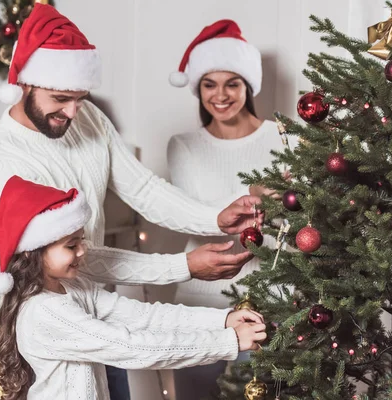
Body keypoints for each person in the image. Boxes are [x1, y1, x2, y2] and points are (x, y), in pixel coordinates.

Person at [0, 5, 265, 399]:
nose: (73, 112)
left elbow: (143, 189)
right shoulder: (0, 161)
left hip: (84, 292)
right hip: (47, 303)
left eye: (81, 97)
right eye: (61, 97)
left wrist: (215, 217)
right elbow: (63, 258)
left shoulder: (86, 116)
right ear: (26, 84)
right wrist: (183, 268)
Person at [0, 175, 267, 400]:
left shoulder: (74, 287)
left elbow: (143, 316)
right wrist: (227, 341)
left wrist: (221, 320)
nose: (82, 252)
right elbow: (133, 347)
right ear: (31, 252)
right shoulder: (44, 312)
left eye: (81, 241)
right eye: (71, 246)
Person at [167, 19, 287, 400]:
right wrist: (252, 192)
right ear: (198, 89)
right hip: (199, 301)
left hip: (269, 297)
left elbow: (292, 219)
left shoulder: (283, 138)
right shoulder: (182, 145)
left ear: (247, 87)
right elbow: (194, 213)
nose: (220, 95)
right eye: (209, 84)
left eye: (231, 83)